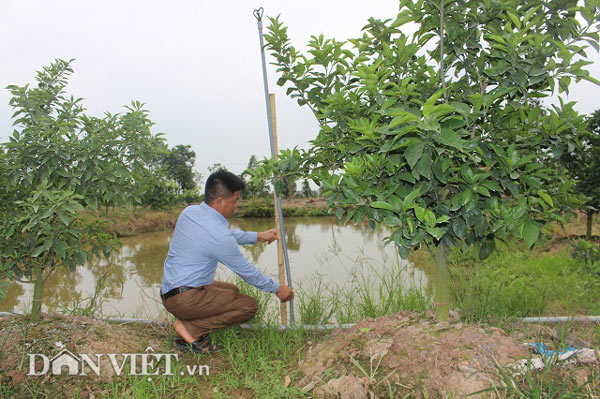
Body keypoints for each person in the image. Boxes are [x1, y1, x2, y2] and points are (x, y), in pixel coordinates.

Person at [160, 169, 294, 354]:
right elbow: (247, 271)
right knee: (248, 306)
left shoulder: (190, 212)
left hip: (169, 291)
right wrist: (277, 288)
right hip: (185, 299)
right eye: (235, 200)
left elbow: (226, 236)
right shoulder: (218, 236)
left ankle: (190, 323)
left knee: (232, 291)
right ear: (220, 201)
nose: (237, 205)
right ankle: (190, 331)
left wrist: (257, 236)